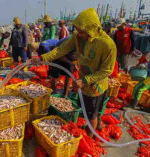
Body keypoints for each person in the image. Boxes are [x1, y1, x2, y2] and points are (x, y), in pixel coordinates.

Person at [32, 8, 116, 136]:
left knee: (91, 114)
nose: (79, 34)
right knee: (92, 111)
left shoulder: (107, 45)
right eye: (78, 30)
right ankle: (96, 124)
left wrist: (85, 80)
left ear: (91, 29)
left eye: (82, 31)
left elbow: (107, 70)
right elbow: (60, 50)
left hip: (95, 86)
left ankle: (90, 136)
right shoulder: (78, 38)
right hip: (83, 82)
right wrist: (42, 58)